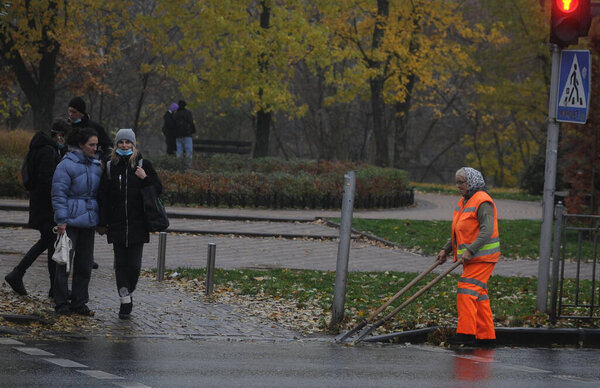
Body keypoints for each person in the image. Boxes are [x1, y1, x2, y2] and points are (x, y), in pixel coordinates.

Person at [97, 128, 163, 319]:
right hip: (117, 224)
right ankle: (124, 299)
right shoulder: (110, 166)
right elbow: (103, 196)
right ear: (116, 145)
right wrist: (102, 222)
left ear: (134, 145)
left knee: (133, 265)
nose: (124, 146)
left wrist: (145, 179)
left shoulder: (144, 164)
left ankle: (129, 290)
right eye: (121, 142)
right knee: (120, 264)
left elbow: (158, 189)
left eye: (128, 143)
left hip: (138, 224)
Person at [435, 167, 500, 347]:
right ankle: (486, 337)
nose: (457, 186)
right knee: (479, 295)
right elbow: (459, 231)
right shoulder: (465, 200)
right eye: (456, 182)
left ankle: (466, 333)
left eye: (461, 182)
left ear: (471, 181)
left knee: (466, 290)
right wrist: (445, 250)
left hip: (483, 257)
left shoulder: (482, 201)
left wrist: (470, 250)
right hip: (472, 258)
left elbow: (487, 231)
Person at [4, 119, 69, 297]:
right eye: (65, 138)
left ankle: (52, 287)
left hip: (41, 205)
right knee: (48, 241)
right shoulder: (48, 152)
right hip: (46, 206)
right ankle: (17, 273)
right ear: (59, 136)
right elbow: (47, 180)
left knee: (50, 243)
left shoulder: (41, 148)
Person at [51, 127, 102, 316]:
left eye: (96, 145)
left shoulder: (96, 166)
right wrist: (61, 220)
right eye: (91, 145)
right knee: (64, 263)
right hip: (71, 221)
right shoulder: (66, 165)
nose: (95, 148)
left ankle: (79, 301)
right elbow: (59, 194)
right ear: (81, 144)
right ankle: (61, 301)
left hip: (88, 221)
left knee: (84, 264)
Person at [68, 96, 110, 270]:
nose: (71, 114)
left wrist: (102, 161)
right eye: (69, 111)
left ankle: (86, 256)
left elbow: (108, 146)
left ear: (82, 112)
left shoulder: (95, 128)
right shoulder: (67, 127)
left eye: (74, 112)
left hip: (92, 173)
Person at [172, 99, 195, 166]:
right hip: (187, 135)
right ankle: (188, 166)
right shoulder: (188, 113)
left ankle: (179, 165)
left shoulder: (176, 114)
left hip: (178, 136)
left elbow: (173, 125)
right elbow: (191, 123)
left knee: (179, 151)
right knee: (189, 151)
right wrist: (192, 131)